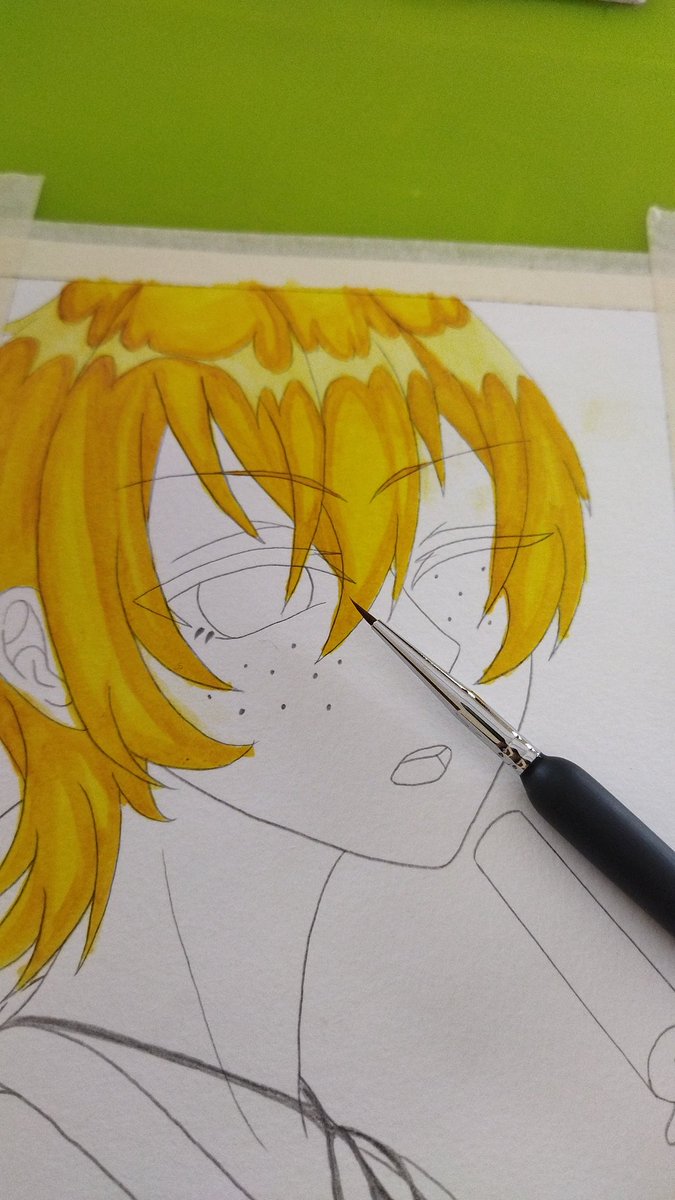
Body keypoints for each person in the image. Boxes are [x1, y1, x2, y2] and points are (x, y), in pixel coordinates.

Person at [0, 281, 587, 1198]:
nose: (427, 656)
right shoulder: (44, 1131)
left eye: (461, 565)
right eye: (255, 587)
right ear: (38, 653)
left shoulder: (336, 1148)